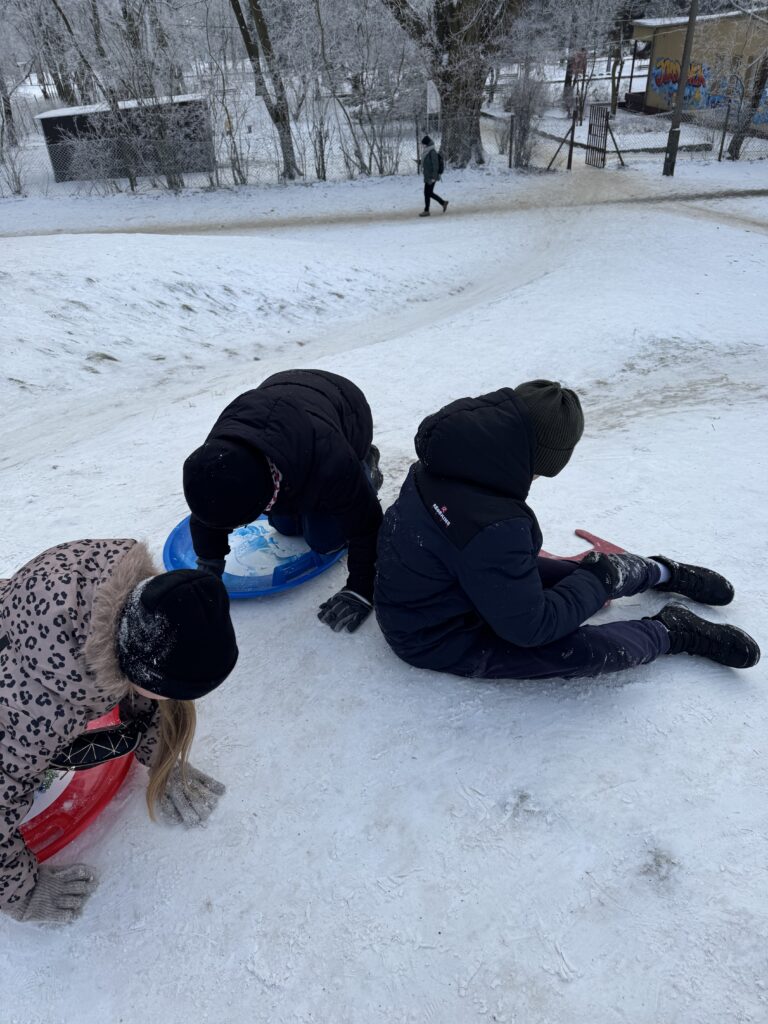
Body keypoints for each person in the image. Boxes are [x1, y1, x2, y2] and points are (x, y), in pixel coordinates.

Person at [374, 381, 760, 680]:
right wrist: (595, 583)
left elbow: (479, 549)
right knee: (576, 649)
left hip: (455, 574)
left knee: (578, 576)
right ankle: (672, 631)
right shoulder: (494, 527)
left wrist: (592, 582)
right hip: (436, 635)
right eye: (540, 470)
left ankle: (661, 572)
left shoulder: (444, 458)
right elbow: (532, 627)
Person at [1, 538, 239, 924]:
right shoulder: (35, 715)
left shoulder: (109, 590)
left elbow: (134, 673)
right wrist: (25, 895)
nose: (169, 699)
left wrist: (162, 759)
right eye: (168, 691)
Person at [183, 369, 383, 633]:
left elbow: (366, 525)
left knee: (324, 540)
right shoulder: (218, 456)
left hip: (348, 410)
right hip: (285, 408)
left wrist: (361, 588)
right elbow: (210, 507)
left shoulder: (330, 460)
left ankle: (366, 467)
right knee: (286, 526)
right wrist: (209, 565)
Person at [419, 135, 448, 218]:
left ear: (427, 144)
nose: (422, 146)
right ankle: (443, 203)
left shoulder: (432, 152)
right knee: (429, 193)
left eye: (423, 144)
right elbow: (427, 162)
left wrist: (434, 177)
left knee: (427, 193)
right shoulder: (427, 151)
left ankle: (427, 211)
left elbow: (435, 166)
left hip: (431, 177)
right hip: (428, 176)